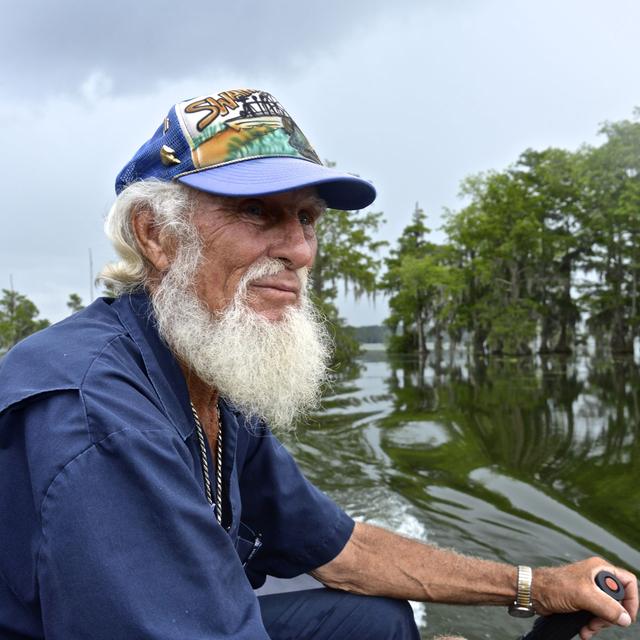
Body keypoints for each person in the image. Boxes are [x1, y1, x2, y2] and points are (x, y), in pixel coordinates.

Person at [0, 88, 636, 640]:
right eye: (257, 212)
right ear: (155, 236)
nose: (299, 250)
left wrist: (535, 585)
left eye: (306, 218)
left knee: (380, 623)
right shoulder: (101, 416)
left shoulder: (208, 378)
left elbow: (345, 550)